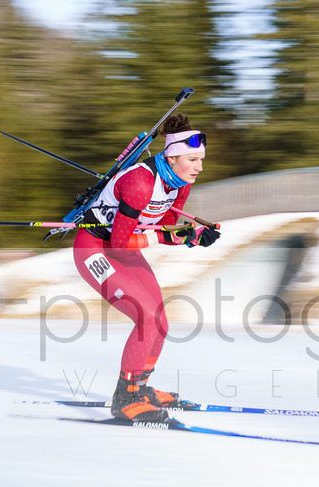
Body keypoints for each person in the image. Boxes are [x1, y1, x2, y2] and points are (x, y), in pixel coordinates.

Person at [72, 114, 221, 423]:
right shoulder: (140, 181)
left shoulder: (179, 184)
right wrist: (172, 235)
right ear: (172, 155)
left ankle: (140, 386)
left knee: (161, 321)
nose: (199, 167)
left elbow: (162, 231)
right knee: (146, 318)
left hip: (124, 248)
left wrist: (189, 236)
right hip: (96, 249)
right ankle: (126, 398)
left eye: (201, 160)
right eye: (193, 159)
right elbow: (119, 241)